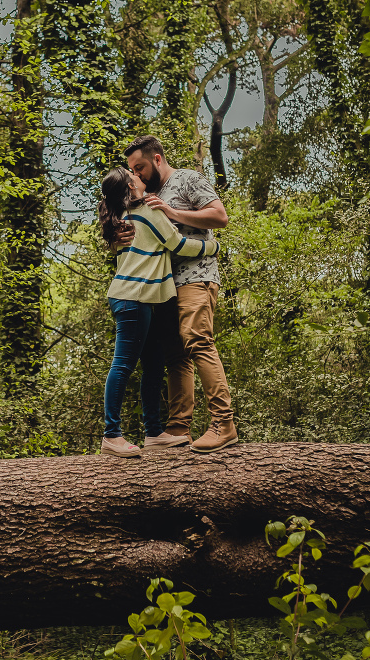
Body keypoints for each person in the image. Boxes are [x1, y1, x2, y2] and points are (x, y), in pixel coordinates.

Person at [118, 135, 238, 454]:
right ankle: (177, 429)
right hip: (165, 285)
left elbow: (219, 216)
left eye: (140, 166)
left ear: (157, 159)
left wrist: (172, 212)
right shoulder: (149, 195)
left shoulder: (188, 179)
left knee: (198, 341)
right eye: (132, 170)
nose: (138, 174)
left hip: (197, 276)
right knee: (175, 356)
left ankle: (223, 424)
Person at [98, 167, 220, 458]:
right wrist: (211, 245)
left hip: (144, 300)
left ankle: (153, 433)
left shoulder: (123, 217)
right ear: (131, 187)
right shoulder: (148, 213)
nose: (140, 176)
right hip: (133, 298)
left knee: (153, 366)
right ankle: (111, 435)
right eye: (134, 175)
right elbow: (177, 244)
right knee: (123, 365)